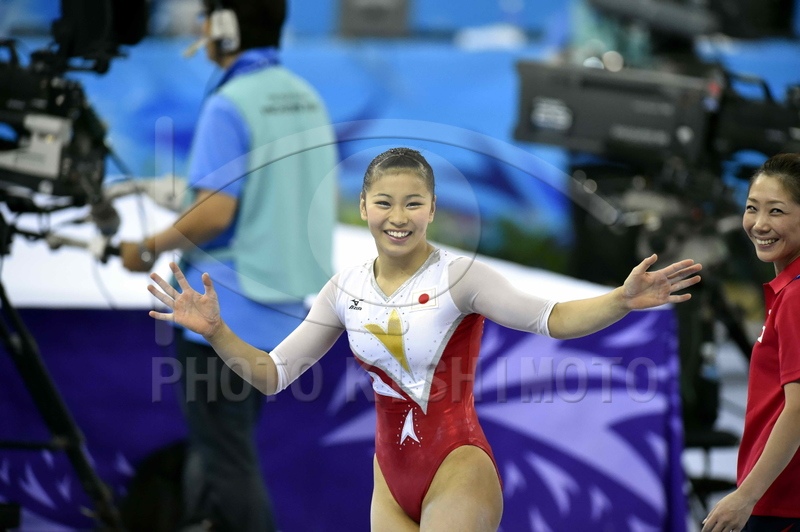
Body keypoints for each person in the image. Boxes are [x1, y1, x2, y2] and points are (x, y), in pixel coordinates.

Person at [146, 148, 701, 530]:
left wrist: (620, 299)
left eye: (413, 202)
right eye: (384, 202)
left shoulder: (461, 278)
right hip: (389, 480)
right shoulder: (343, 289)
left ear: (433, 209)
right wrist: (217, 332)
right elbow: (273, 375)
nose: (399, 216)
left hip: (457, 467)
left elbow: (552, 319)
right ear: (363, 207)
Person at [120, 1, 338, 530]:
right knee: (222, 451)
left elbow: (216, 211)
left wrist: (148, 247)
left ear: (224, 26)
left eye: (206, 16)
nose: (199, 29)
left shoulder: (230, 103)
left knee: (226, 460)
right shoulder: (306, 96)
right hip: (282, 313)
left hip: (220, 314)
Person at [702, 153, 800, 532]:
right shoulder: (787, 291)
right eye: (751, 208)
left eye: (776, 211)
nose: (759, 224)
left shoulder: (796, 297)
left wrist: (746, 496)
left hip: (780, 504)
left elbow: (798, 410)